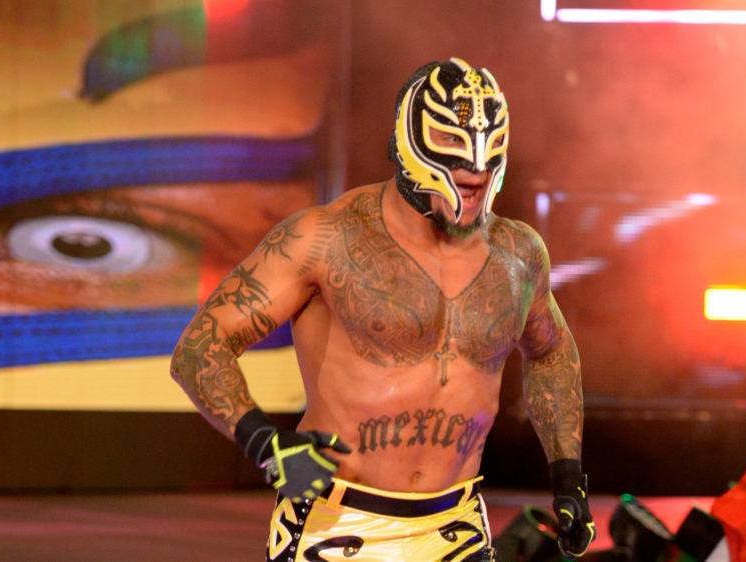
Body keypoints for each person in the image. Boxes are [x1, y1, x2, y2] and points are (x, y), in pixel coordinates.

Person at [170, 57, 595, 561]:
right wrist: (265, 442)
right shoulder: (325, 238)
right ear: (415, 149)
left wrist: (568, 475)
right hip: (337, 525)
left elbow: (550, 353)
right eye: (462, 176)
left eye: (482, 177)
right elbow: (201, 346)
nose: (474, 187)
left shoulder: (518, 255)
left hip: (455, 529)